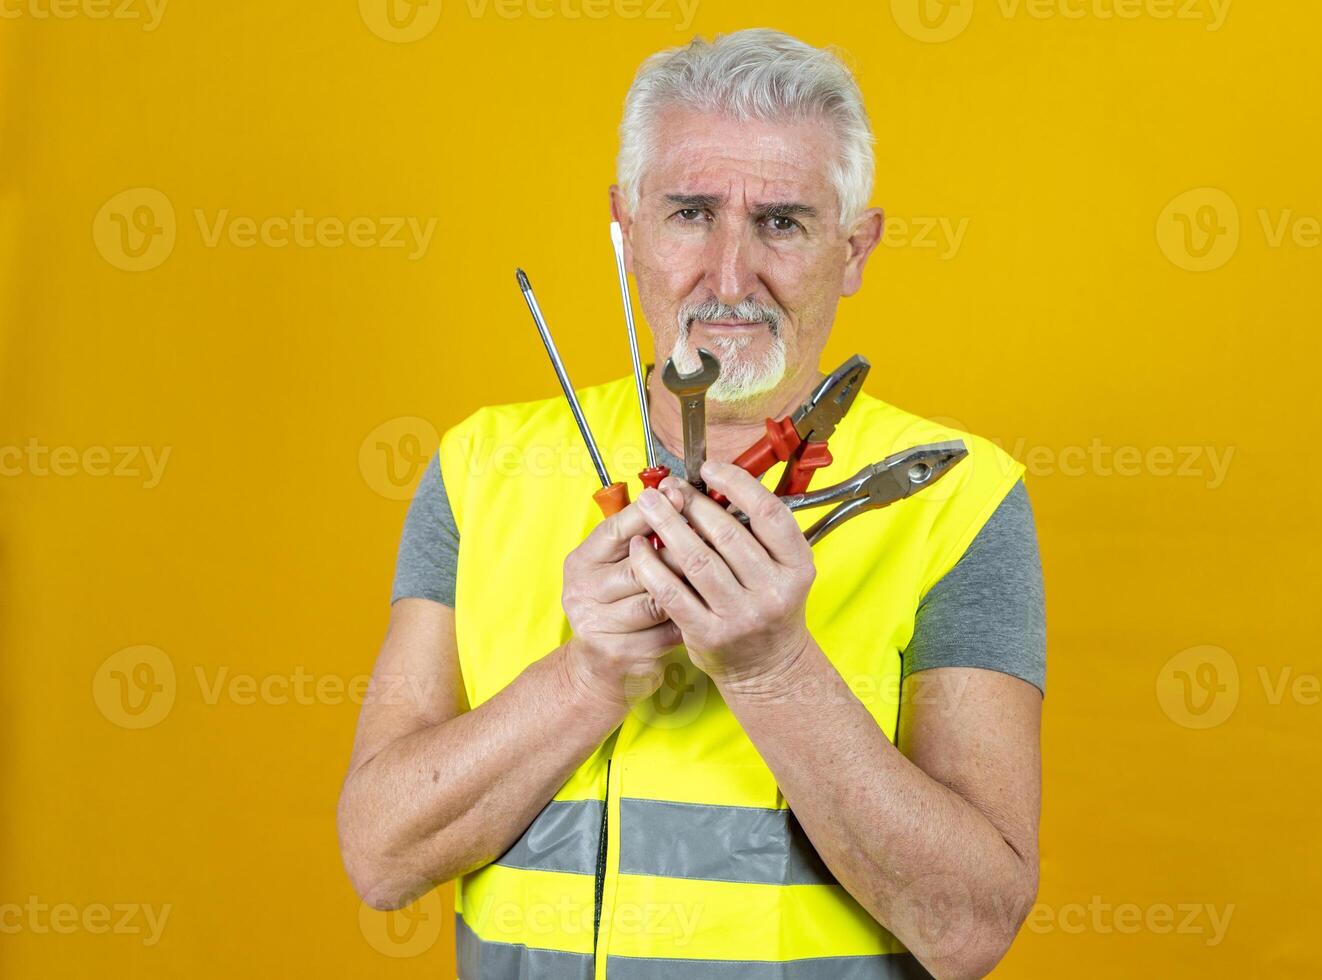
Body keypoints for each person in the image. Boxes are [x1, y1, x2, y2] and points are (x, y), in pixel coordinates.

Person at [338, 28, 1045, 980]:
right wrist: (586, 679)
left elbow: (967, 927)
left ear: (855, 247)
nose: (726, 276)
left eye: (783, 222)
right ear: (624, 226)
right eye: (689, 213)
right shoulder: (482, 467)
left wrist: (771, 669)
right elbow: (380, 858)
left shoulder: (960, 497)